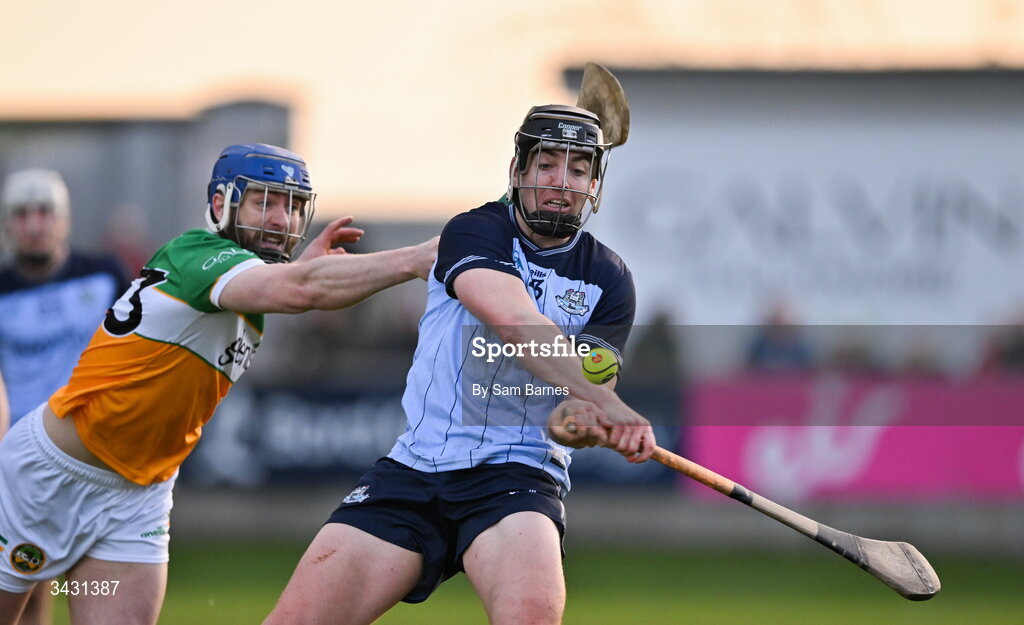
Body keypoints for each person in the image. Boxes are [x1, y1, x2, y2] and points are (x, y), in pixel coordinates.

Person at [0, 143, 438, 625]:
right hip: (48, 478)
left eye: (293, 206)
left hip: (137, 499)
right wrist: (417, 259)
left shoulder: (246, 287)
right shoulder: (199, 253)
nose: (282, 220)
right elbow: (304, 290)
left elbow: (297, 285)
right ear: (219, 205)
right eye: (265, 202)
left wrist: (302, 270)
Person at [265, 105, 655, 625]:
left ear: (594, 184)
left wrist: (590, 420)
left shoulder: (610, 280)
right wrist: (611, 402)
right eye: (547, 165)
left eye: (579, 169)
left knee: (532, 615)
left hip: (518, 477)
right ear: (517, 172)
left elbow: (570, 414)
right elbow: (514, 321)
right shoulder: (474, 232)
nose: (562, 182)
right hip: (417, 467)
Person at [0, 168, 130, 625]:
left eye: (44, 212)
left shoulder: (104, 275)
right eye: (22, 214)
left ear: (64, 219)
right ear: (7, 223)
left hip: (88, 452)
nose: (34, 224)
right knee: (24, 583)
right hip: (17, 457)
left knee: (88, 582)